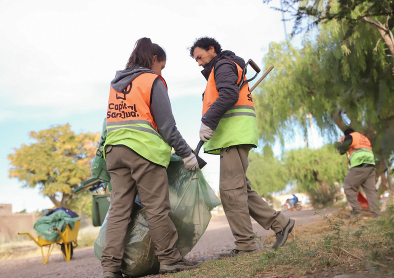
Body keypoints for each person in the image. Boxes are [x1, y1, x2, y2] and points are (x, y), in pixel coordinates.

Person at [101, 38, 199, 278]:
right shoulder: (151, 81)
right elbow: (167, 126)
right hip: (143, 151)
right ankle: (169, 260)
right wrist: (187, 154)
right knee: (156, 207)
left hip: (114, 151)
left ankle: (110, 267)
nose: (161, 71)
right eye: (162, 67)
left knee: (119, 210)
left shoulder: (117, 85)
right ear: (154, 59)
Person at [189, 37, 295, 254]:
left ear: (212, 49)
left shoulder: (223, 64)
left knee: (230, 192)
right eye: (195, 60)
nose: (198, 63)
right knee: (240, 189)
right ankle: (281, 224)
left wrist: (207, 121)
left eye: (199, 57)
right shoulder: (224, 66)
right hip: (234, 135)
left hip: (234, 136)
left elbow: (228, 94)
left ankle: (246, 245)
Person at [337, 128, 381, 218]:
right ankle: (377, 216)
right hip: (370, 166)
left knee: (348, 186)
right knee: (371, 192)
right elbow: (361, 150)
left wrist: (339, 142)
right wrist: (351, 159)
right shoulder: (364, 138)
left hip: (359, 166)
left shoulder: (350, 137)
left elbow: (341, 151)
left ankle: (357, 212)